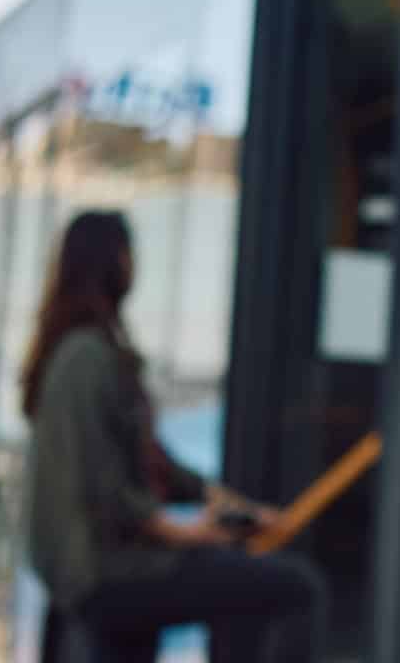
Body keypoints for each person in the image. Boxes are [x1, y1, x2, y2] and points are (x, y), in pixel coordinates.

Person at [21, 210, 323, 663]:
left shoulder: (86, 351)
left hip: (108, 570)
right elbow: (108, 487)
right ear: (113, 262)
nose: (134, 266)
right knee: (298, 589)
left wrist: (231, 507)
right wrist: (186, 534)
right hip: (109, 573)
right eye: (129, 254)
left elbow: (152, 462)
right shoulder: (86, 357)